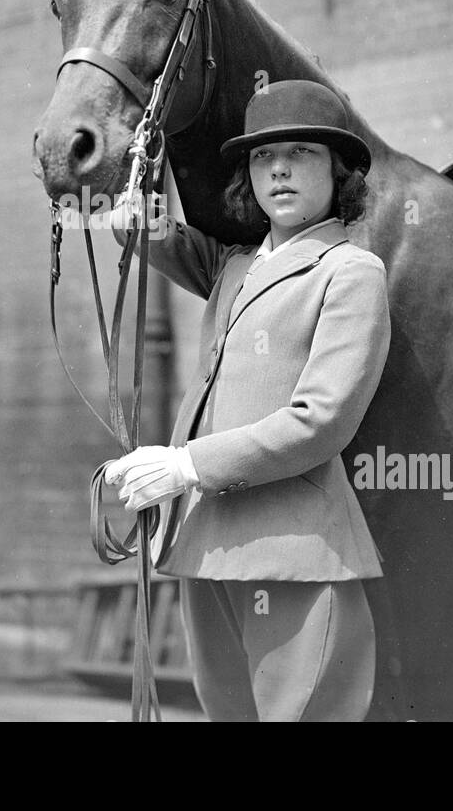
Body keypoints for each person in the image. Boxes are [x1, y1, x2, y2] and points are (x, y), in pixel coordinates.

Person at [103, 79, 391, 722]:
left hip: (294, 547)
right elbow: (140, 228)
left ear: (338, 171)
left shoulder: (349, 271)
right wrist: (120, 174)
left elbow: (321, 421)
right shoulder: (233, 264)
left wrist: (185, 465)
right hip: (208, 542)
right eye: (263, 156)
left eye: (301, 152)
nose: (280, 168)